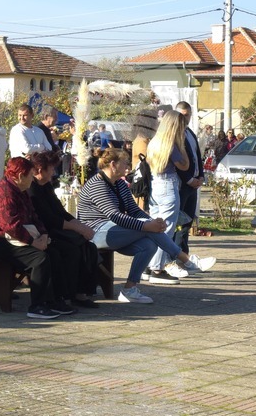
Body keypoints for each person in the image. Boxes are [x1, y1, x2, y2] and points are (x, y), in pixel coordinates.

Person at [75, 148, 216, 304]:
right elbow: (115, 215)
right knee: (146, 228)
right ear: (113, 164)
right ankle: (186, 260)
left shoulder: (120, 184)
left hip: (114, 230)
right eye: (125, 163)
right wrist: (147, 225)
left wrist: (153, 222)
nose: (128, 166)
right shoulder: (97, 184)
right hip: (95, 232)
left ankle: (129, 289)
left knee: (148, 245)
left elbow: (134, 210)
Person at [0, 157, 70, 320]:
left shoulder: (20, 190)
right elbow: (10, 225)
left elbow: (34, 217)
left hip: (16, 237)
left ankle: (54, 300)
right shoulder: (5, 192)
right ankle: (37, 306)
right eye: (30, 175)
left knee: (54, 253)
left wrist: (43, 235)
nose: (33, 178)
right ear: (20, 176)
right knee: (39, 259)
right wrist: (34, 242)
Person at [27, 151, 100, 309]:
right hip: (44, 232)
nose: (54, 172)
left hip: (57, 228)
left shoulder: (45, 185)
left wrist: (79, 225)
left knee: (88, 247)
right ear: (40, 170)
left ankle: (81, 292)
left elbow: (60, 211)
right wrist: (77, 227)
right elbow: (48, 219)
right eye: (51, 169)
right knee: (70, 249)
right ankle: (65, 294)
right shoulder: (31, 189)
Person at [144, 110, 191, 283]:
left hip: (156, 184)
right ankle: (157, 268)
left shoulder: (155, 142)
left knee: (156, 226)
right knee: (166, 228)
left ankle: (149, 265)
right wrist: (183, 146)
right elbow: (184, 166)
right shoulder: (171, 144)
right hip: (168, 185)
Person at [173, 102, 204, 254]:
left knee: (187, 222)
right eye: (182, 115)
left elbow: (197, 156)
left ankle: (184, 255)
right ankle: (175, 255)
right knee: (177, 223)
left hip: (194, 184)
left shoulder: (190, 133)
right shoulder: (173, 134)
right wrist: (189, 180)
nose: (185, 118)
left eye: (187, 115)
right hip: (182, 185)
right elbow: (176, 162)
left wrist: (201, 176)